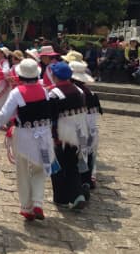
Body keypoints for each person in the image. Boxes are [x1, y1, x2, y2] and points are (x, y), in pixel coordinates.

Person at [0, 58, 55, 221]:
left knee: (22, 171)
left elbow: (4, 115)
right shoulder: (43, 90)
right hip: (43, 133)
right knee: (39, 170)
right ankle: (37, 202)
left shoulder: (17, 92)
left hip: (24, 135)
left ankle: (26, 207)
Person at [48, 62, 88, 210]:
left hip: (61, 135)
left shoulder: (54, 94)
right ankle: (78, 195)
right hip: (78, 133)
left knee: (57, 167)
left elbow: (50, 117)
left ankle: (61, 198)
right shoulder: (79, 91)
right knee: (72, 165)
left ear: (55, 76)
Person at [69, 60, 102, 191]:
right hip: (91, 130)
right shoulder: (92, 94)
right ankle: (87, 181)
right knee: (88, 157)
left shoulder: (75, 93)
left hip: (79, 130)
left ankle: (81, 184)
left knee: (78, 159)